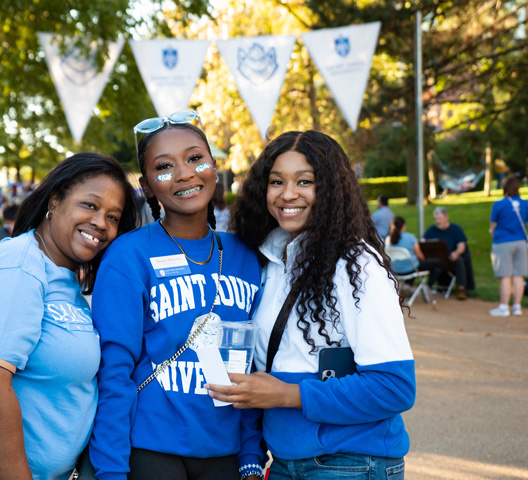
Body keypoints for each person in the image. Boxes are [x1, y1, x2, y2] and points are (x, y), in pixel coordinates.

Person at [207, 131, 416, 480]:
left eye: (305, 181)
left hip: (349, 463)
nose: (288, 194)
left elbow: (395, 387)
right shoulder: (270, 260)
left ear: (331, 189)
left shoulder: (356, 267)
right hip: (288, 462)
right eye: (277, 182)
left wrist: (289, 394)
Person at [0, 152, 138, 480]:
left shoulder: (62, 276)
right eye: (90, 205)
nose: (101, 223)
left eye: (113, 217)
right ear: (54, 201)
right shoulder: (19, 266)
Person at [90, 110, 264, 480]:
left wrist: (250, 452)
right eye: (164, 167)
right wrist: (110, 471)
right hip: (150, 450)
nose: (184, 173)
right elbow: (114, 372)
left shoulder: (245, 257)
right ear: (148, 185)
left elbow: (248, 365)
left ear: (213, 166)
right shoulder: (128, 255)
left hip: (227, 453)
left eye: (195, 158)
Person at [488, 176, 528, 316]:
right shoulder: (525, 204)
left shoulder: (499, 204)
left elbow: (493, 226)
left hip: (503, 241)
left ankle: (504, 307)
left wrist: (492, 231)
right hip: (521, 242)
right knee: (519, 275)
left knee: (505, 275)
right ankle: (517, 307)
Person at [422, 206, 475, 300]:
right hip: (436, 261)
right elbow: (423, 242)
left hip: (450, 259)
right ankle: (428, 287)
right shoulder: (431, 230)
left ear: (446, 217)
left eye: (440, 218)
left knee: (459, 260)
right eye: (435, 219)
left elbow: (462, 246)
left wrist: (456, 253)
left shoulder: (456, 229)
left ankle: (461, 288)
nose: (437, 221)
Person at [386, 216, 442, 298]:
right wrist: (423, 259)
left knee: (411, 262)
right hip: (410, 268)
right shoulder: (410, 237)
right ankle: (427, 287)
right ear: (404, 226)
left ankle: (407, 285)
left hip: (395, 269)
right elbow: (420, 255)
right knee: (437, 263)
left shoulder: (388, 239)